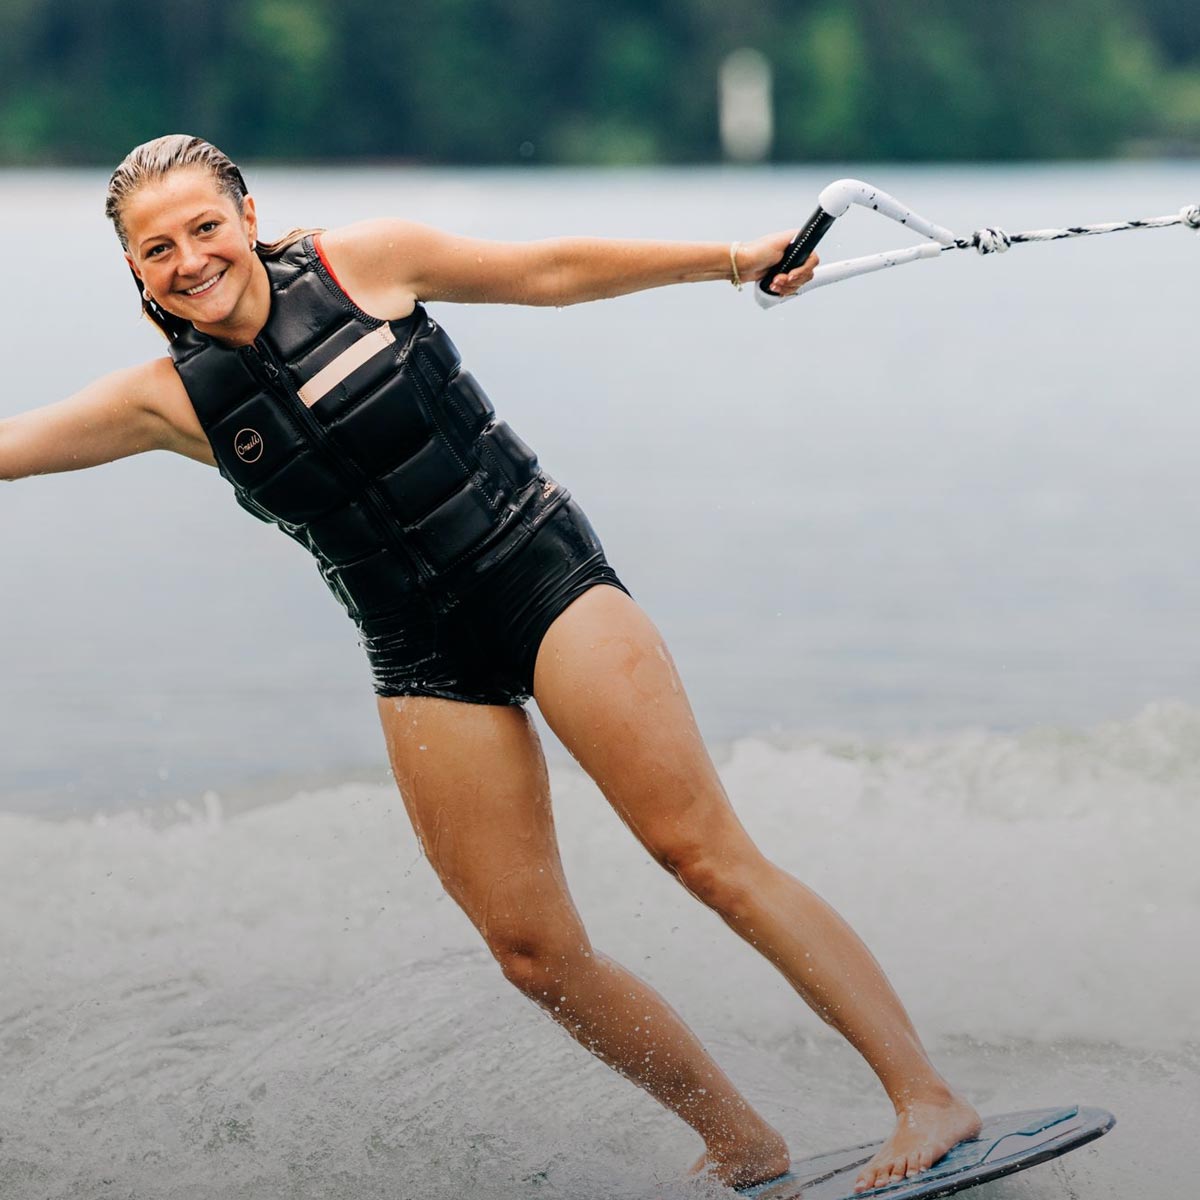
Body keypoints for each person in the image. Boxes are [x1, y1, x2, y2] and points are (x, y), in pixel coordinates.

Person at [0, 134, 981, 1194]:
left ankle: (927, 1097)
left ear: (246, 214)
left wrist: (734, 257)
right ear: (135, 272)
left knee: (699, 854)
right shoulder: (167, 399)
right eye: (158, 249)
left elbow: (551, 271)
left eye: (204, 227)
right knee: (532, 953)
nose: (190, 260)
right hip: (419, 652)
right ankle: (741, 1141)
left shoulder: (361, 263)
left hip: (538, 572)